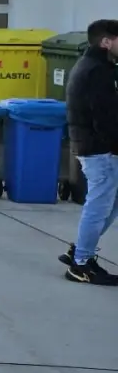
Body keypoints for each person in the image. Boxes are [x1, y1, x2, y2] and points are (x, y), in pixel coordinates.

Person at [60, 18, 118, 285]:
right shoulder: (97, 71)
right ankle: (80, 264)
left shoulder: (97, 66)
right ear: (106, 42)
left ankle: (80, 251)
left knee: (110, 205)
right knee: (99, 207)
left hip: (96, 147)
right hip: (100, 150)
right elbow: (104, 118)